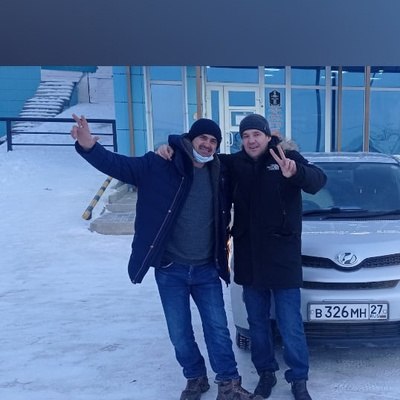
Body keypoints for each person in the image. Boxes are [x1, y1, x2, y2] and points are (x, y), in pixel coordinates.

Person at [70, 114, 263, 400]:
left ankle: (228, 384)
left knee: (218, 329)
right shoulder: (159, 165)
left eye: (213, 141)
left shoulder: (221, 171)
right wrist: (88, 146)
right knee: (179, 332)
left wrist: (273, 144)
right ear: (190, 139)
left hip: (207, 268)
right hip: (171, 268)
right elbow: (118, 165)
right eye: (203, 138)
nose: (208, 144)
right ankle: (195, 378)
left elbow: (254, 163)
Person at [157, 114, 327, 400]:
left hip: (283, 258)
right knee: (257, 324)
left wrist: (295, 171)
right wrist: (169, 148)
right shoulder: (233, 164)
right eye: (245, 136)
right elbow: (199, 155)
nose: (251, 140)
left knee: (290, 324)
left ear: (267, 136)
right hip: (249, 258)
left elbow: (318, 180)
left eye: (256, 134)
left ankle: (299, 379)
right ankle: (266, 374)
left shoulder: (286, 157)